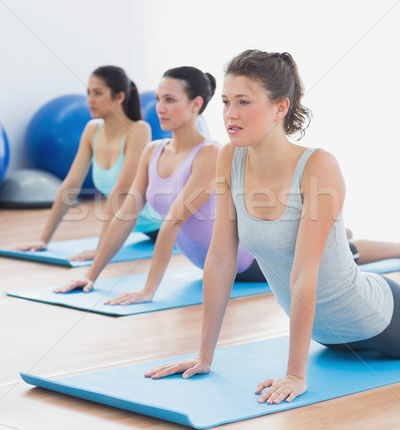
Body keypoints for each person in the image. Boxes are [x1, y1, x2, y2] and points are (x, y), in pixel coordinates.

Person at [144, 49, 400, 405]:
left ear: (281, 107)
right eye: (226, 102)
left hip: (377, 317)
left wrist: (295, 374)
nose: (230, 114)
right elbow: (220, 260)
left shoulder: (318, 166)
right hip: (328, 338)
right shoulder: (230, 158)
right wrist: (204, 356)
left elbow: (303, 274)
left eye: (244, 102)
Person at [54, 66, 265, 301]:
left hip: (254, 263)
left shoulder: (210, 154)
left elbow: (172, 223)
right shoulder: (153, 151)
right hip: (213, 267)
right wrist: (91, 275)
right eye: (158, 99)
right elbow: (126, 215)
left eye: (170, 100)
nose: (160, 109)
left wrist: (148, 291)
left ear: (195, 104)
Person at [17, 66, 156, 260]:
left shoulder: (139, 130)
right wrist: (43, 239)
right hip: (136, 228)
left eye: (98, 93)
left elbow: (120, 193)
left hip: (165, 224)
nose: (90, 100)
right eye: (88, 92)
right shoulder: (92, 130)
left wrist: (101, 250)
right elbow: (71, 184)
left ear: (120, 97)